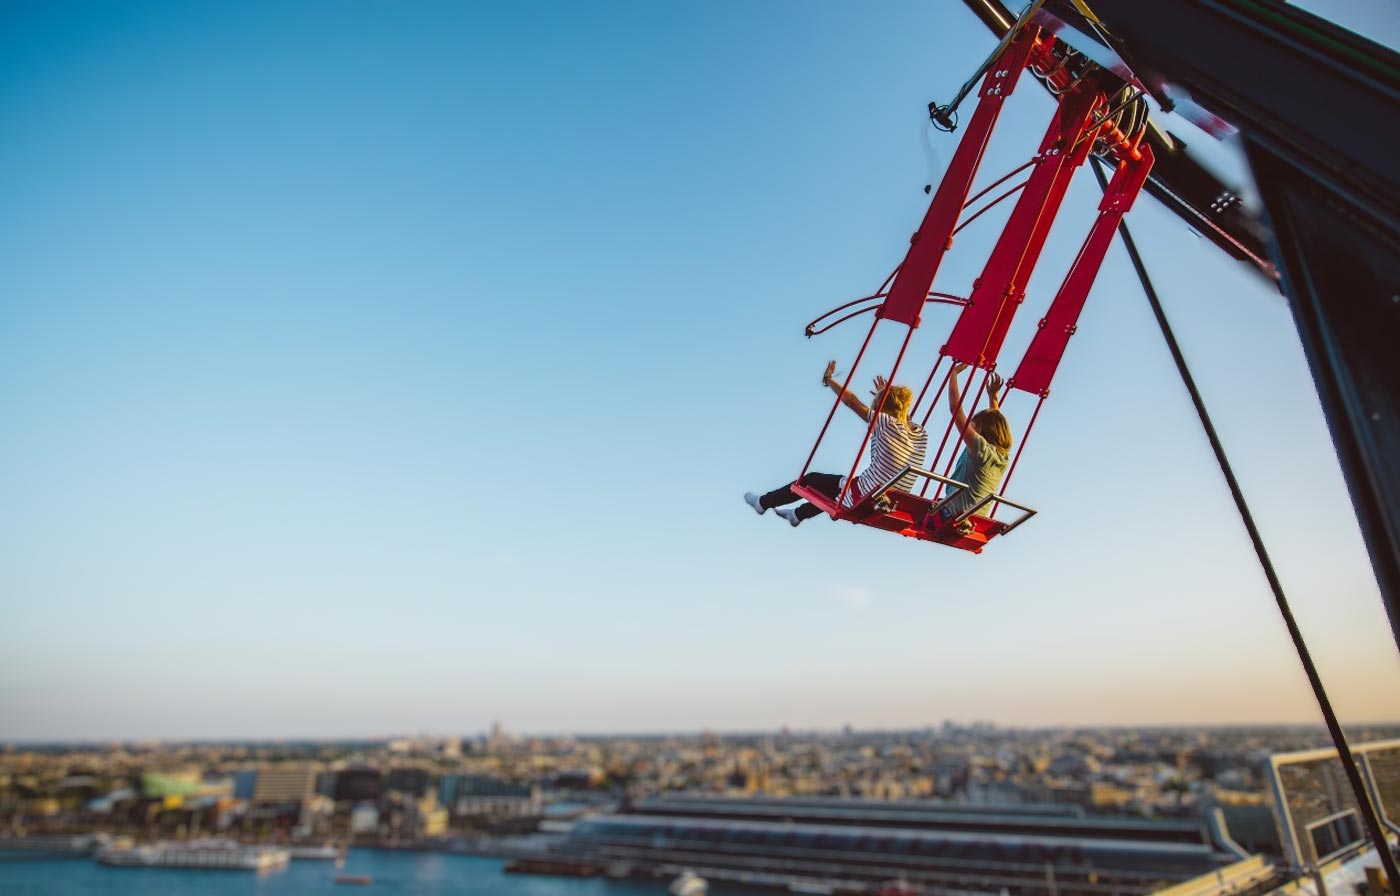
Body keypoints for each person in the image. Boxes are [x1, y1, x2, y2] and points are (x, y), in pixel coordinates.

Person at [745, 361, 928, 527]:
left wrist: (829, 379)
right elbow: (903, 416)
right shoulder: (920, 434)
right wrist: (886, 396)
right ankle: (797, 515)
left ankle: (763, 502)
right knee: (838, 485)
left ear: (882, 410)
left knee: (810, 480)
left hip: (868, 499)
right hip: (894, 504)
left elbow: (850, 400)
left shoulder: (885, 423)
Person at [938, 362, 1013, 532]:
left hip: (953, 515)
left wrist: (953, 375)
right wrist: (993, 397)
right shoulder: (1003, 456)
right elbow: (995, 423)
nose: (968, 425)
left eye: (972, 422)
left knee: (913, 513)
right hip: (976, 521)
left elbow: (955, 410)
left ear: (979, 429)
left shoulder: (979, 448)